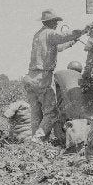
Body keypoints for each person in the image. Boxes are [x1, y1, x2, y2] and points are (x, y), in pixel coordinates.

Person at [27, 10, 82, 139]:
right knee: (51, 113)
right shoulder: (50, 33)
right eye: (56, 21)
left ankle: (35, 142)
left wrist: (73, 41)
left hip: (31, 77)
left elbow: (59, 47)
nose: (57, 24)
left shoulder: (38, 35)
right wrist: (82, 31)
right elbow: (64, 36)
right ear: (50, 22)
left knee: (36, 113)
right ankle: (38, 139)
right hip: (43, 77)